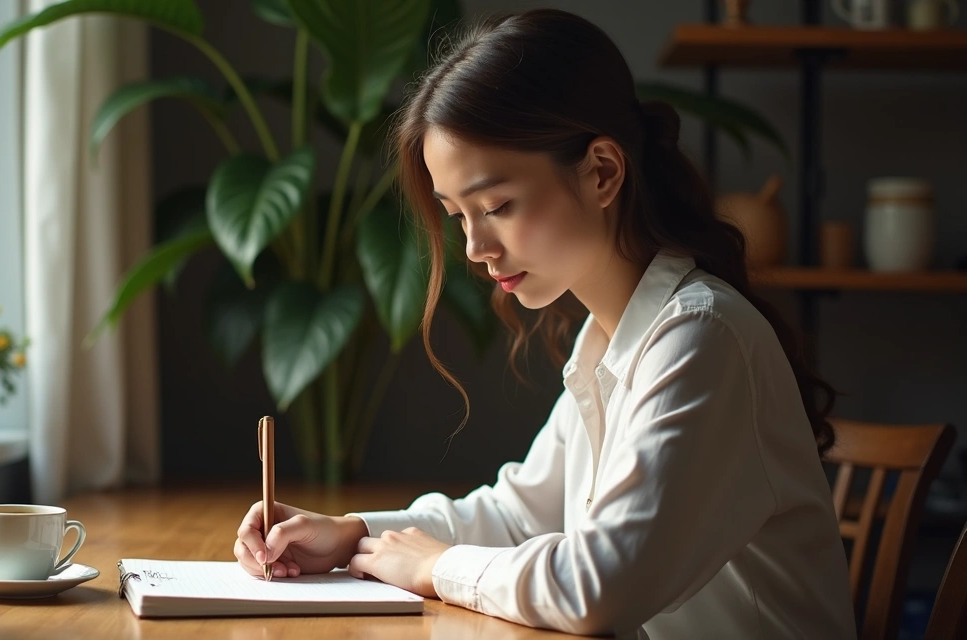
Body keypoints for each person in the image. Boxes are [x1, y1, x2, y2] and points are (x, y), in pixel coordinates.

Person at [233, 8, 856, 639]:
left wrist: (439, 566)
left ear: (602, 172)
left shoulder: (702, 336)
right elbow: (518, 513)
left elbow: (599, 589)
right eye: (457, 215)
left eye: (498, 205)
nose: (475, 246)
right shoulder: (610, 339)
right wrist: (353, 535)